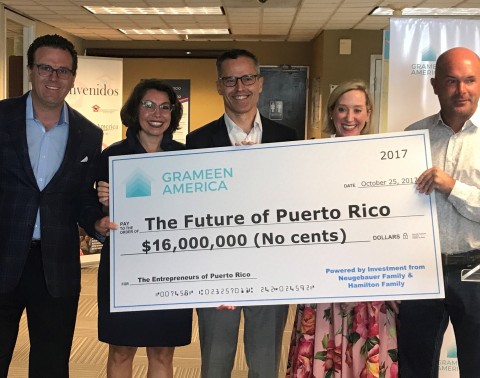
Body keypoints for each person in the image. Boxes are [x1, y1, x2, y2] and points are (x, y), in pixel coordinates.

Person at [0, 34, 110, 377]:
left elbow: (81, 199)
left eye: (63, 71)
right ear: (31, 70)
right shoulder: (1, 118)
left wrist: (97, 224)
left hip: (57, 267)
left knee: (51, 362)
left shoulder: (87, 133)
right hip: (2, 256)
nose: (54, 77)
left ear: (73, 77)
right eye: (46, 68)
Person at [186, 49, 297, 378]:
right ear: (219, 86)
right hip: (216, 268)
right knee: (216, 360)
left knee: (265, 364)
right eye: (230, 79)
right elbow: (189, 208)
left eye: (247, 78)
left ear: (260, 83)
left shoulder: (288, 139)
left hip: (271, 267)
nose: (240, 87)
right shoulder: (197, 141)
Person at [286, 80, 399, 378]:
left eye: (357, 110)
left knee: (367, 353)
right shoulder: (310, 156)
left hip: (370, 279)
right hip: (323, 278)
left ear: (369, 113)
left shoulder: (385, 158)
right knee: (326, 353)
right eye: (343, 109)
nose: (350, 118)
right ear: (331, 113)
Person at [96, 79, 192, 378]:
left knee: (163, 352)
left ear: (173, 114)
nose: (157, 113)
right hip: (125, 268)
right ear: (135, 109)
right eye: (148, 105)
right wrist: (100, 216)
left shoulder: (186, 157)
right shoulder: (112, 156)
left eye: (165, 107)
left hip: (171, 268)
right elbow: (87, 208)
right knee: (121, 350)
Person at [399, 47, 480, 377]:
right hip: (422, 270)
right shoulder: (411, 136)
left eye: (470, 80)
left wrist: (452, 187)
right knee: (415, 364)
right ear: (434, 86)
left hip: (475, 268)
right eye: (451, 81)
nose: (461, 90)